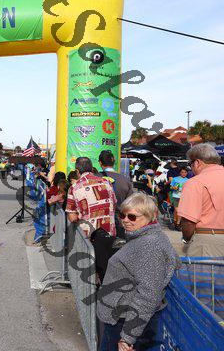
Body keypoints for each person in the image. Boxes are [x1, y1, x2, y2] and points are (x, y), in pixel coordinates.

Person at [97, 192, 178, 351]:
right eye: (122, 215)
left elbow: (148, 294)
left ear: (149, 217)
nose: (125, 220)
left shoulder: (150, 245)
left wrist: (127, 338)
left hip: (125, 323)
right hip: (122, 318)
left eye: (132, 217)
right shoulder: (143, 236)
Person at [66, 157, 117, 282]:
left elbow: (72, 217)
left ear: (77, 171)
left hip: (89, 237)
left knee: (91, 274)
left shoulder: (74, 188)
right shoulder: (106, 182)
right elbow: (114, 204)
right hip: (109, 232)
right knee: (106, 269)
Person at [178, 144, 224, 257]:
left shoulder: (195, 183)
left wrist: (186, 239)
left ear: (197, 162)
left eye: (190, 164)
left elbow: (188, 222)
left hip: (208, 241)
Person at [98, 150, 134, 239]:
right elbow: (131, 204)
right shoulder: (125, 180)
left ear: (100, 162)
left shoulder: (95, 178)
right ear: (114, 162)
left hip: (99, 224)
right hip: (119, 224)